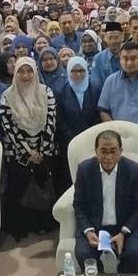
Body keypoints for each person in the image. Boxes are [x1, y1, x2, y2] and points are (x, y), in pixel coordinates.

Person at [72, 130, 138, 274]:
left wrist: (124, 233)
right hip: (95, 225)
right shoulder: (85, 170)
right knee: (83, 253)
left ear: (121, 151)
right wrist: (88, 231)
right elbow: (79, 205)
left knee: (134, 253)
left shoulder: (134, 170)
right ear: (96, 151)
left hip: (127, 225)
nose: (108, 156)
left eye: (113, 151)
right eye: (103, 151)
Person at [0, 56, 58, 239]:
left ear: (35, 72)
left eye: (29, 71)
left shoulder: (46, 92)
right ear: (15, 73)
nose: (25, 75)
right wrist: (27, 152)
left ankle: (44, 225)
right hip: (19, 153)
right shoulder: (7, 96)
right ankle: (24, 227)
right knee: (21, 189)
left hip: (44, 151)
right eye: (21, 71)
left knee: (42, 188)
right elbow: (8, 127)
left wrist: (40, 151)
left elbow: (51, 122)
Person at [54, 56, 100, 191]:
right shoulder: (61, 91)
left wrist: (89, 138)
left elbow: (98, 115)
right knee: (71, 175)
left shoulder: (95, 89)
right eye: (74, 71)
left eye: (81, 70)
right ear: (68, 71)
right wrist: (72, 138)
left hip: (92, 141)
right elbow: (59, 119)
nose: (78, 74)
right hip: (68, 143)